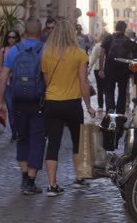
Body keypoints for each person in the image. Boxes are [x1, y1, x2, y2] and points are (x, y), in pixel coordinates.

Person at [41, 18, 96, 195]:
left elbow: (47, 81)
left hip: (52, 102)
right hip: (72, 103)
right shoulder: (79, 54)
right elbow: (83, 82)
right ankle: (79, 178)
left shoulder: (47, 54)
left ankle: (52, 185)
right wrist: (88, 106)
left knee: (53, 143)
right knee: (77, 142)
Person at [0, 17, 46, 195]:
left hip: (18, 101)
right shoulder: (44, 50)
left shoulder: (13, 51)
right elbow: (48, 79)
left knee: (23, 139)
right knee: (37, 140)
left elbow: (3, 80)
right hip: (38, 102)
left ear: (24, 32)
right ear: (40, 32)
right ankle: (31, 182)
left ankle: (24, 178)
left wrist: (1, 102)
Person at [0, 30, 21, 142]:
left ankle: (19, 131)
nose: (11, 39)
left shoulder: (20, 50)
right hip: (7, 85)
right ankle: (14, 132)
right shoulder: (3, 51)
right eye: (9, 37)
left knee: (19, 109)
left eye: (14, 37)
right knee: (11, 108)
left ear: (17, 38)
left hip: (18, 84)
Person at [98, 21, 132, 114]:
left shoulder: (108, 38)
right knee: (122, 91)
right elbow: (130, 56)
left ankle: (110, 109)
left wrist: (101, 69)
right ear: (124, 29)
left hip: (110, 67)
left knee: (109, 90)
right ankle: (120, 111)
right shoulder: (127, 39)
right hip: (123, 69)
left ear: (115, 28)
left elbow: (101, 54)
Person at [88, 31, 109, 111]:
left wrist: (89, 69)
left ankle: (100, 106)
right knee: (108, 88)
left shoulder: (97, 46)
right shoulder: (109, 45)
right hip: (107, 69)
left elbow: (92, 59)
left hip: (97, 69)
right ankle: (108, 106)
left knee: (99, 88)